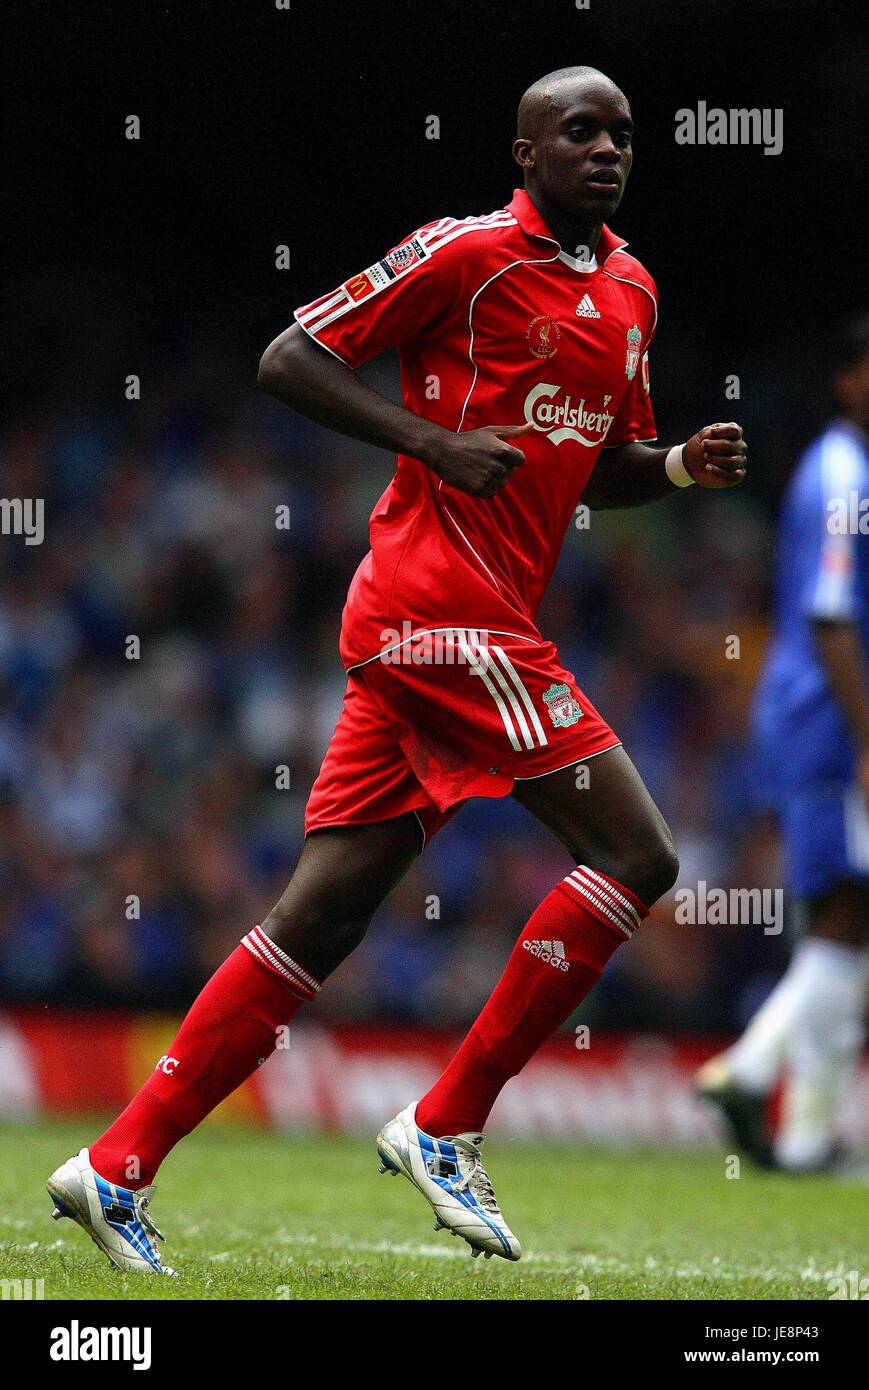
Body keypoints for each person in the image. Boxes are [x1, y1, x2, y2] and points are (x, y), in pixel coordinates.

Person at [47, 65, 747, 1273]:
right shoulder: (462, 253)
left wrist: (674, 464)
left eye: (621, 134)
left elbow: (599, 463)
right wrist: (427, 439)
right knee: (636, 853)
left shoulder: (630, 290)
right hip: (442, 611)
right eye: (577, 131)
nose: (605, 149)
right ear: (523, 155)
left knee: (317, 920)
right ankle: (444, 1121)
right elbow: (288, 356)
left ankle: (114, 1165)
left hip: (450, 632)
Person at [699, 317, 869, 1173]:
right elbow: (832, 615)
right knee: (845, 911)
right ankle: (760, 1080)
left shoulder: (841, 469)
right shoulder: (845, 473)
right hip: (830, 723)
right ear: (847, 379)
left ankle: (797, 1123)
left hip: (820, 719)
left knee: (847, 916)